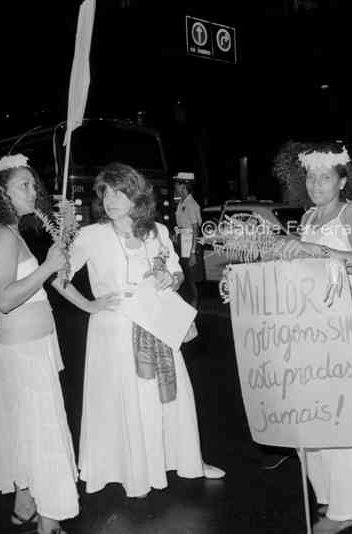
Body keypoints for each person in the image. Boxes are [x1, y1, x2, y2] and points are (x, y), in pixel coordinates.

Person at [58, 162, 224, 499]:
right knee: (125, 399)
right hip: (114, 332)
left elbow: (177, 273)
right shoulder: (91, 236)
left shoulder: (157, 232)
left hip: (158, 324)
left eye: (119, 193)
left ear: (137, 196)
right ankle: (131, 468)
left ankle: (185, 458)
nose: (111, 200)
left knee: (170, 396)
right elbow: (58, 277)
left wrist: (170, 279)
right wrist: (89, 305)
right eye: (106, 193)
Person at [272, 143, 352, 534]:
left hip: (348, 322)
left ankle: (348, 508)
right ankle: (332, 493)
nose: (316, 183)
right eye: (311, 176)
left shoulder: (351, 213)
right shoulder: (308, 216)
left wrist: (313, 248)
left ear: (342, 181)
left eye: (325, 177)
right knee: (308, 416)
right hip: (313, 325)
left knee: (338, 416)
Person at [0, 154, 78, 534]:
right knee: (43, 433)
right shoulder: (2, 236)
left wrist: (88, 302)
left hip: (29, 347)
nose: (34, 191)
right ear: (2, 192)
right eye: (24, 185)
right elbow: (4, 299)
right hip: (25, 352)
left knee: (27, 431)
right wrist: (47, 267)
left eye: (33, 184)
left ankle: (25, 506)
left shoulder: (8, 232)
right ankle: (50, 521)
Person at [173, 172, 202, 309]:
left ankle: (193, 308)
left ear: (183, 186)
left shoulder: (191, 204)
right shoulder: (182, 202)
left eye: (177, 184)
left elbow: (195, 230)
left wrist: (193, 253)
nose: (175, 186)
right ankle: (188, 307)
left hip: (189, 244)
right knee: (186, 277)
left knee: (191, 279)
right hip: (183, 242)